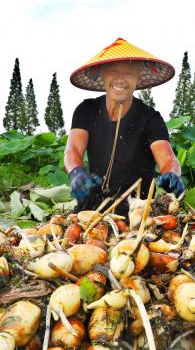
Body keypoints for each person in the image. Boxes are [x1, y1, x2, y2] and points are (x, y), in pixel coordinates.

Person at [64, 38, 184, 216]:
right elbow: (73, 149)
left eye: (128, 73)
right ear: (103, 75)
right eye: (113, 71)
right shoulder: (86, 110)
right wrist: (76, 173)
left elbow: (168, 159)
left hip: (138, 211)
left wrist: (171, 175)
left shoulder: (150, 118)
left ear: (137, 78)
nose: (120, 79)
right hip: (93, 209)